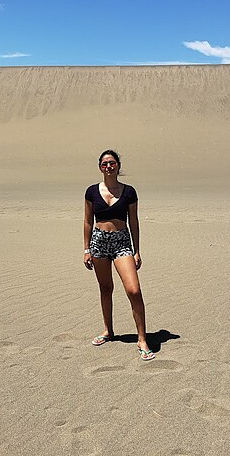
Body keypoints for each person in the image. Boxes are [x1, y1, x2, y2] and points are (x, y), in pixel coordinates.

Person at [83, 149, 155, 361]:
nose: (109, 167)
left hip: (122, 242)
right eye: (105, 164)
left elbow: (134, 221)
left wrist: (136, 250)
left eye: (112, 163)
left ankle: (142, 339)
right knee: (105, 288)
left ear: (118, 166)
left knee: (134, 290)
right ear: (100, 167)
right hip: (99, 242)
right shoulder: (91, 192)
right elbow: (88, 221)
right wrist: (86, 249)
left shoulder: (129, 192)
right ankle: (108, 330)